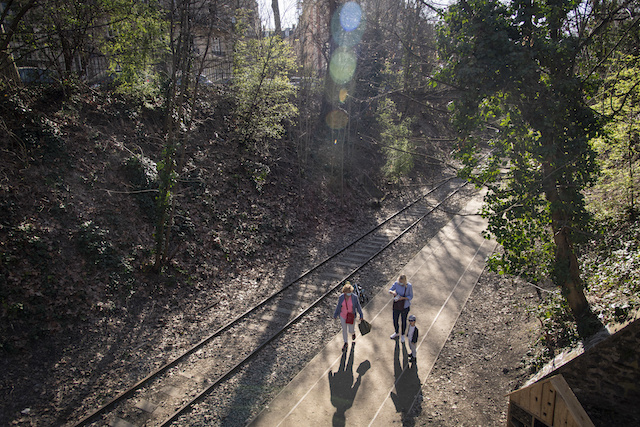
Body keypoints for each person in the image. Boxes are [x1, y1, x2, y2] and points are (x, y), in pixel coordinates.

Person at [333, 282, 364, 351]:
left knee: (350, 330)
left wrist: (361, 315)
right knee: (344, 330)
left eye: (350, 292)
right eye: (347, 292)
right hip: (343, 316)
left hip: (351, 316)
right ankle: (345, 342)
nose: (349, 293)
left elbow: (358, 307)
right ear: (344, 292)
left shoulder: (354, 298)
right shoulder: (341, 297)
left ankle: (353, 333)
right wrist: (335, 314)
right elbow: (338, 306)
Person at [388, 274, 413, 342]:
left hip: (405, 306)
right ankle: (396, 332)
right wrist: (393, 292)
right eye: (399, 281)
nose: (400, 283)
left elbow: (411, 296)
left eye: (401, 282)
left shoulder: (409, 286)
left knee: (403, 321)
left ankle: (402, 335)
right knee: (395, 320)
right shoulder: (396, 283)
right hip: (396, 305)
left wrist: (403, 298)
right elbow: (390, 290)